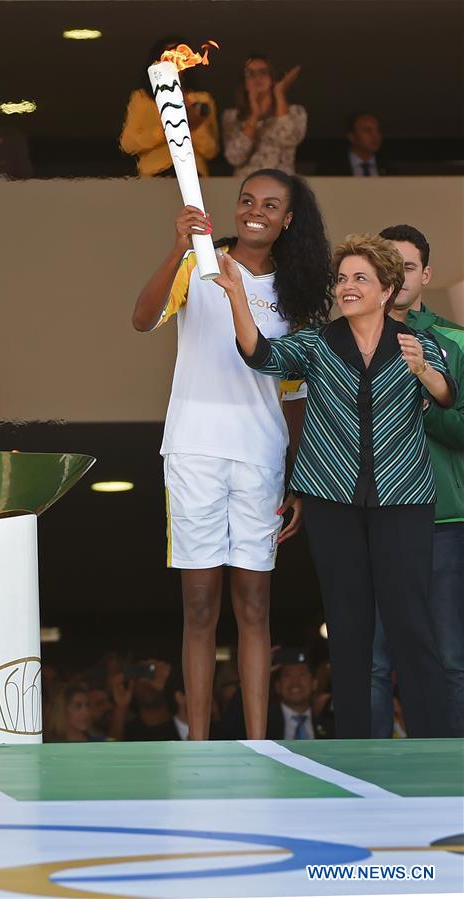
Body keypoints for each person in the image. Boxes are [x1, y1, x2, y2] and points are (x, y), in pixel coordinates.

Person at [220, 232, 456, 738]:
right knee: (348, 628)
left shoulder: (415, 343)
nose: (347, 286)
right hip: (332, 502)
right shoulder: (317, 343)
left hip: (404, 500)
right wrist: (237, 296)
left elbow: (446, 395)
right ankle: (354, 745)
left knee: (410, 624)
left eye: (360, 279)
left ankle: (433, 742)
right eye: (343, 278)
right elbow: (261, 354)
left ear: (387, 289)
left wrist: (423, 371)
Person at [132, 168, 333, 739]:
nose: (255, 212)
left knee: (254, 606)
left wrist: (298, 478)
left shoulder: (296, 293)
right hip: (194, 449)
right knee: (199, 606)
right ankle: (199, 744)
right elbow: (142, 319)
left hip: (260, 455)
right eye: (247, 200)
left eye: (270, 205)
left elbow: (294, 396)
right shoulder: (200, 262)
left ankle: (257, 742)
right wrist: (178, 247)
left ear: (287, 220)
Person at [371, 224, 464, 737]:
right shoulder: (348, 339)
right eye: (390, 266)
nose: (400, 277)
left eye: (408, 267)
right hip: (375, 518)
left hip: (443, 518)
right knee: (374, 660)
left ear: (426, 274)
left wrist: (425, 404)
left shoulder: (454, 340)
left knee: (450, 657)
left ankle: (454, 767)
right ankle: (367, 769)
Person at [120, 37, 219, 177]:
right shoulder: (142, 98)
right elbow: (128, 144)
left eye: (179, 54)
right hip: (155, 175)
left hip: (194, 174)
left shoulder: (202, 100)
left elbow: (211, 150)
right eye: (168, 55)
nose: (173, 60)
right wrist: (167, 131)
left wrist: (191, 125)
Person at [222, 54, 306, 178]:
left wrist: (279, 92)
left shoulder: (296, 112)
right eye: (250, 73)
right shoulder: (231, 117)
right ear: (244, 81)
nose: (258, 78)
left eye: (263, 72)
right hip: (247, 183)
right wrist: (254, 116)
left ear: (272, 78)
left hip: (281, 183)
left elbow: (288, 139)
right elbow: (235, 157)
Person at [266, 648, 334, 740]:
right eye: (288, 675)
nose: (295, 681)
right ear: (277, 685)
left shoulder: (332, 728)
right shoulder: (264, 726)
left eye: (302, 674)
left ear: (314, 683)